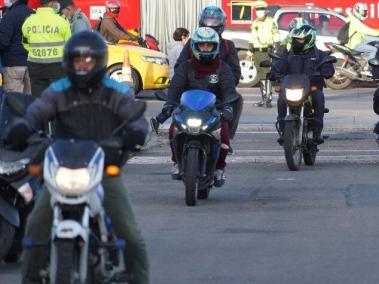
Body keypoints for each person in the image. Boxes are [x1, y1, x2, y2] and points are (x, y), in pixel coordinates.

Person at [6, 31, 149, 284]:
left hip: (103, 167)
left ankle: (139, 279)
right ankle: (30, 277)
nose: (82, 65)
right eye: (77, 60)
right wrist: (22, 127)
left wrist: (135, 134)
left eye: (88, 60)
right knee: (36, 224)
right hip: (62, 167)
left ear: (100, 62)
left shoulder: (115, 91)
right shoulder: (58, 90)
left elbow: (135, 118)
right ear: (68, 62)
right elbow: (37, 111)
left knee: (130, 232)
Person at [158, 27, 239, 185]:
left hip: (214, 110)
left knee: (223, 135)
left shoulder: (223, 68)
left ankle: (219, 168)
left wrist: (228, 106)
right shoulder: (185, 67)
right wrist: (169, 103)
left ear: (215, 47)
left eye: (209, 46)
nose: (205, 49)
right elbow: (175, 87)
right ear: (195, 46)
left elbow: (229, 89)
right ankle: (176, 161)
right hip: (188, 110)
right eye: (202, 45)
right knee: (173, 130)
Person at [172, 6, 243, 140]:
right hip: (192, 89)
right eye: (208, 20)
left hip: (217, 90)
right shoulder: (192, 42)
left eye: (216, 21)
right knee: (175, 112)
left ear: (222, 24)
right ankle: (177, 142)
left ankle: (227, 136)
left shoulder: (228, 45)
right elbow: (179, 67)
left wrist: (223, 81)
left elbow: (235, 73)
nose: (212, 24)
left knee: (237, 99)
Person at [270, 24, 334, 145]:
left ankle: (316, 133)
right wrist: (273, 73)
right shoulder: (289, 55)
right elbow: (279, 65)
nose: (297, 42)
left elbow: (328, 65)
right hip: (292, 88)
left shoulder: (319, 54)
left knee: (319, 97)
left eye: (300, 39)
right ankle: (284, 132)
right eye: (295, 39)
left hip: (311, 89)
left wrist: (327, 71)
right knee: (281, 100)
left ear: (310, 39)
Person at [22, 0, 71, 97]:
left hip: (36, 68)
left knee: (38, 99)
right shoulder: (62, 20)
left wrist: (39, 52)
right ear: (52, 3)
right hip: (57, 68)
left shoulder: (29, 20)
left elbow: (25, 44)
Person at [248, 0, 280, 108]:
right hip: (257, 52)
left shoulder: (271, 22)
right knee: (261, 76)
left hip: (267, 51)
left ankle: (268, 99)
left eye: (261, 9)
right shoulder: (255, 23)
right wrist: (250, 51)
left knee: (267, 75)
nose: (259, 12)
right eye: (257, 10)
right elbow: (252, 38)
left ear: (265, 11)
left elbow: (276, 35)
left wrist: (276, 48)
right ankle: (263, 98)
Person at [0, 0, 33, 94]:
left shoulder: (10, 15)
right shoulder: (33, 14)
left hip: (13, 63)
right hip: (32, 62)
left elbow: (3, 41)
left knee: (14, 101)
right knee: (30, 99)